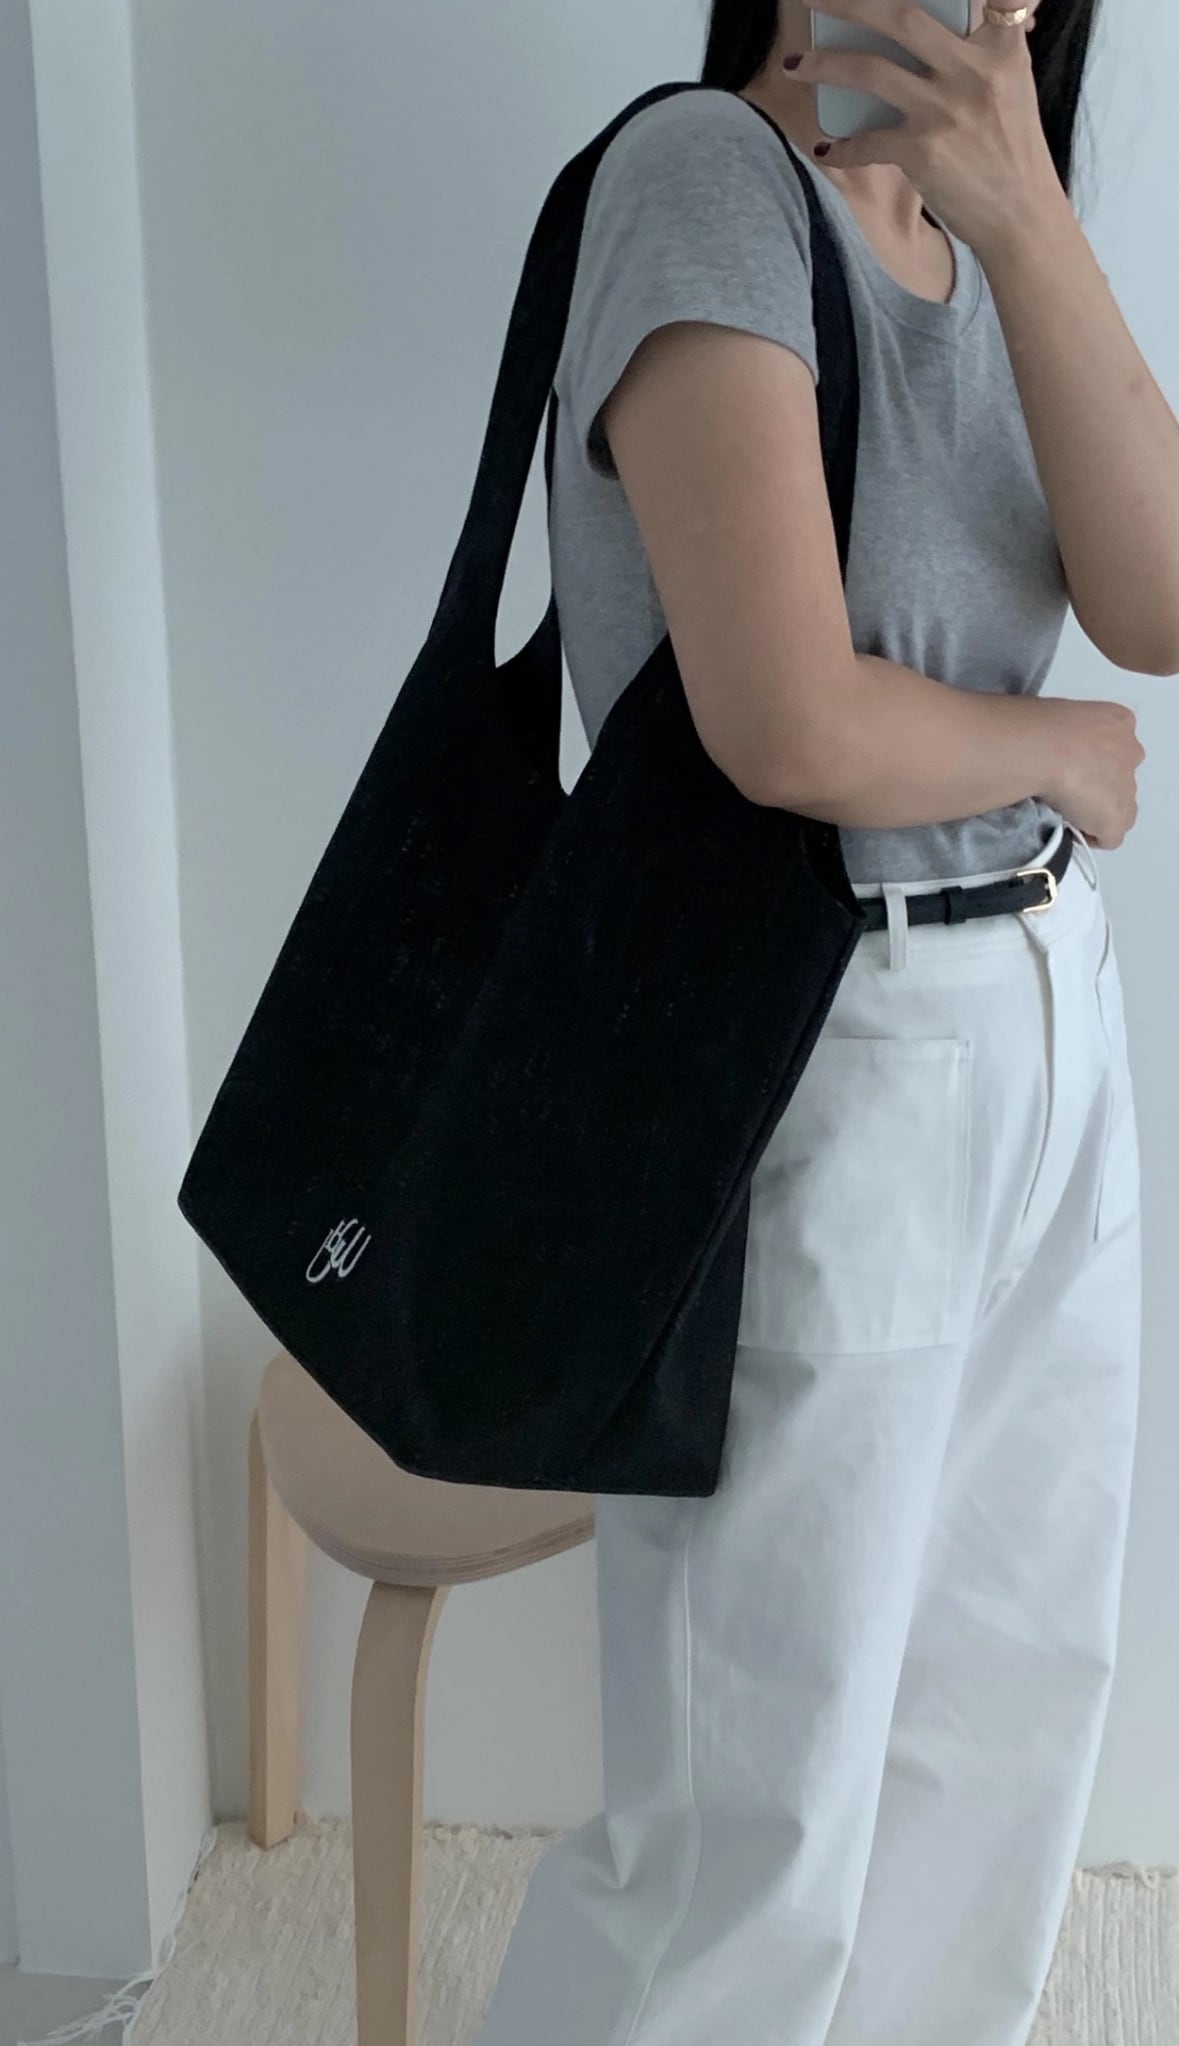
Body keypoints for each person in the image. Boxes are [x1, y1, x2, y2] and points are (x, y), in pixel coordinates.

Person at [473, 3, 1178, 2042]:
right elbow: (781, 719)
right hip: (823, 1041)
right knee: (748, 1814)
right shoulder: (704, 179)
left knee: (995, 1727)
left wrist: (1031, 227)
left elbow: (1156, 600)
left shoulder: (979, 229)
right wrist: (1049, 749)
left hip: (1041, 1019)